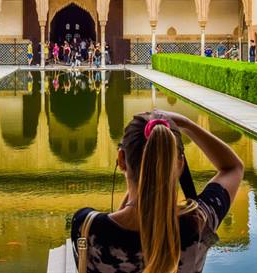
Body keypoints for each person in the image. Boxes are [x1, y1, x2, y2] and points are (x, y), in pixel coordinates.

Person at [71, 111, 243, 273]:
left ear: (121, 159)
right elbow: (233, 168)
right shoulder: (196, 225)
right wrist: (187, 124)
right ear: (180, 164)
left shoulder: (86, 226)